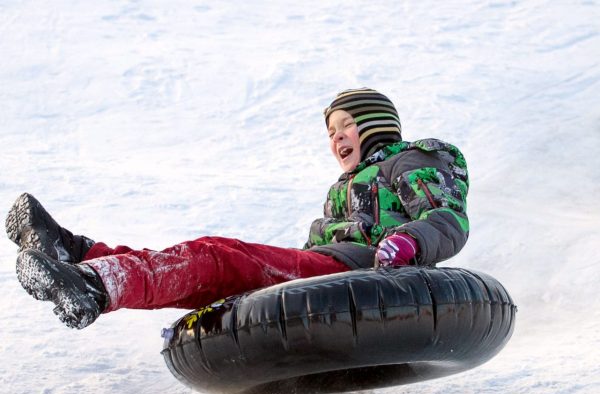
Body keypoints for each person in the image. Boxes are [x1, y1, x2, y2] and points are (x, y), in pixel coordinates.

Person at [7, 88, 469, 329]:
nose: (336, 137)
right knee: (209, 270)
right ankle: (80, 254)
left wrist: (408, 241)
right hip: (329, 273)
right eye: (330, 131)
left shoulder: (412, 160)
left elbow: (446, 219)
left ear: (375, 125)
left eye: (347, 124)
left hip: (361, 276)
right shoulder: (342, 189)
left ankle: (91, 286)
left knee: (218, 257)